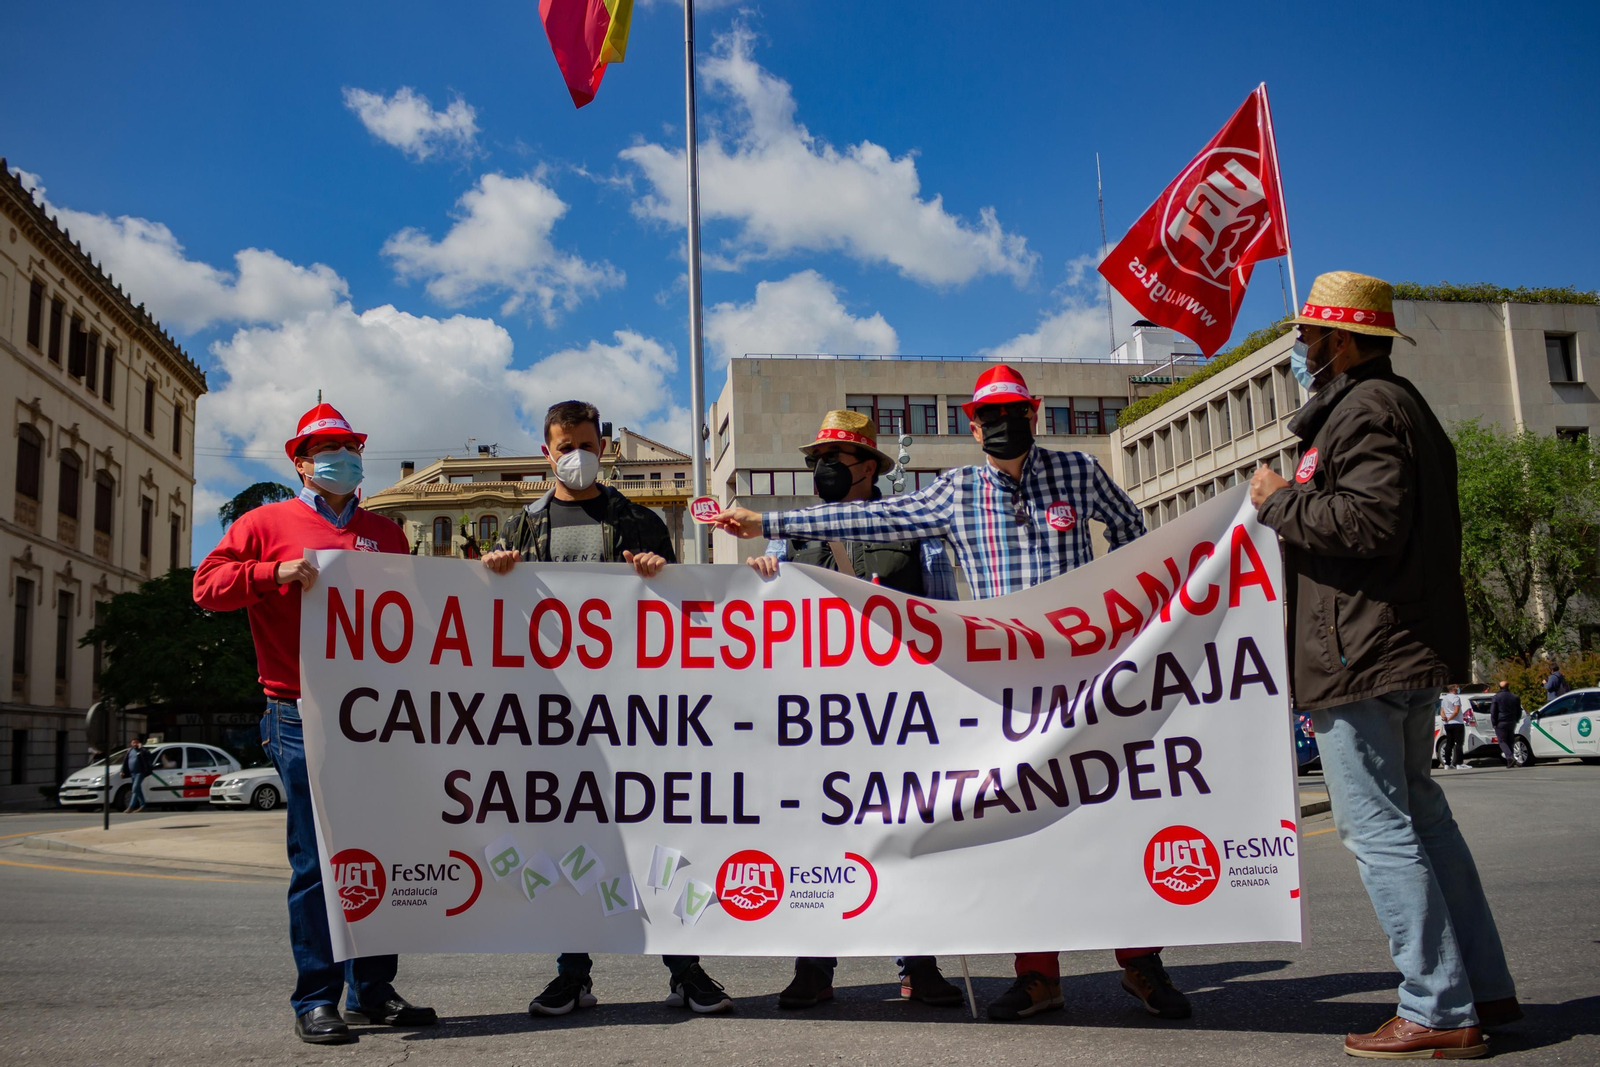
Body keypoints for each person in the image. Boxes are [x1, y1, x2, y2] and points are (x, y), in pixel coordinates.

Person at [712, 364, 1191, 1023]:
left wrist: (1124, 600)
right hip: (1010, 691)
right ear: (970, 424)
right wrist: (767, 523)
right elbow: (871, 515)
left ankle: (1141, 963)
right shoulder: (954, 492)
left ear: (1035, 409)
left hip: (1086, 679)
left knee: (1105, 817)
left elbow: (1133, 530)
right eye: (988, 414)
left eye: (1012, 410)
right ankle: (1037, 975)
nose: (1001, 423)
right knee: (1024, 829)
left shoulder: (1080, 472)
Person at [1250, 271, 1517, 1058]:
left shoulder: (1362, 411)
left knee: (1379, 830)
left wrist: (1275, 500)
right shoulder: (1398, 408)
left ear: (1339, 340)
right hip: (1394, 645)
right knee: (1425, 819)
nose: (1299, 350)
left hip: (1360, 651)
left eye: (1306, 337)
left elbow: (1370, 523)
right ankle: (1481, 987)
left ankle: (1436, 1005)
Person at [194, 404, 438, 1046]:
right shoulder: (264, 523)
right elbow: (206, 587)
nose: (342, 456)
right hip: (298, 709)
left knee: (379, 850)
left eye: (350, 445)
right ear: (300, 461)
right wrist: (273, 572)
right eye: (326, 447)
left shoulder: (384, 534)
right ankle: (316, 997)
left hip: (379, 714)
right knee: (317, 861)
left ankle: (373, 990)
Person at [483, 400, 732, 1017]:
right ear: (546, 450)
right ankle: (573, 973)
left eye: (588, 444)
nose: (577, 456)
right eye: (566, 444)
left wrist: (659, 573)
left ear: (604, 448)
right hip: (555, 710)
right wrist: (493, 573)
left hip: (633, 710)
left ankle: (685, 969)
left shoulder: (641, 521)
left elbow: (678, 612)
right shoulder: (520, 527)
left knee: (657, 833)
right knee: (567, 833)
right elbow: (496, 614)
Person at [745, 410, 963, 1011]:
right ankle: (814, 966)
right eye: (815, 462)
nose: (821, 471)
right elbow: (767, 623)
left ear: (869, 467)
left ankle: (920, 964)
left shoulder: (915, 528)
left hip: (899, 712)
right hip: (821, 714)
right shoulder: (792, 532)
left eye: (834, 461)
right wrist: (766, 576)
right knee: (818, 836)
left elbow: (944, 614)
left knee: (909, 831)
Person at [1490, 681, 1523, 769]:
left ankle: (1509, 757)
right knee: (1510, 740)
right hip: (1512, 721)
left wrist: (1494, 723)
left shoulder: (1496, 697)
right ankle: (1510, 760)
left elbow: (1493, 711)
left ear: (1499, 688)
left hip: (1501, 721)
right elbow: (1519, 710)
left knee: (1502, 741)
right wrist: (1517, 719)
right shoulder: (1515, 697)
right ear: (1508, 687)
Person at [122, 738, 153, 812]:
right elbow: (125, 761)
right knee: (138, 789)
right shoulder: (129, 751)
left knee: (135, 788)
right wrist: (122, 770)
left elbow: (148, 754)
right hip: (132, 773)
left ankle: (131, 807)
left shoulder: (142, 750)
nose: (135, 744)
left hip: (140, 772)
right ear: (131, 743)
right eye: (133, 742)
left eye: (136, 742)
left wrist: (141, 747)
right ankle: (142, 805)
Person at [1438, 686, 1466, 770]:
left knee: (1449, 742)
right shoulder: (1456, 698)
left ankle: (1447, 763)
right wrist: (1450, 718)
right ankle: (1459, 763)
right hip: (1457, 723)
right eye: (1457, 688)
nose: (1458, 689)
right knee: (1459, 743)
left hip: (1447, 724)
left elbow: (1442, 711)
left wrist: (1445, 718)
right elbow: (1456, 711)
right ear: (1453, 689)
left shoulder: (1444, 699)